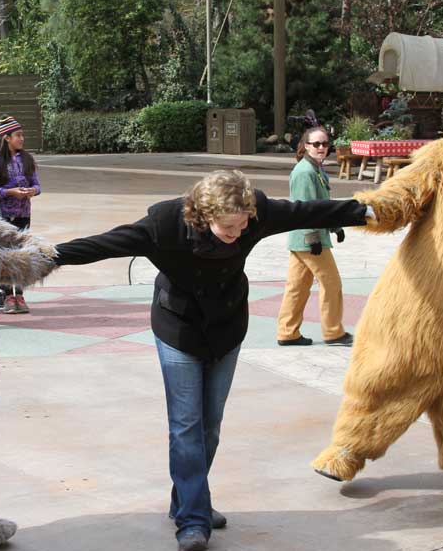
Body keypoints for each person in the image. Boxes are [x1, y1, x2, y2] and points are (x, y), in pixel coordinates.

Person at [53, 170, 371, 551]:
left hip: (226, 327)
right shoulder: (164, 224)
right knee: (186, 424)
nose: (238, 234)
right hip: (179, 330)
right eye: (228, 228)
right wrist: (41, 258)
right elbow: (103, 245)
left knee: (211, 426)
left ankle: (188, 498)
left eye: (243, 226)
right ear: (203, 215)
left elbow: (307, 212)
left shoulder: (255, 213)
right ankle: (192, 519)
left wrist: (366, 211)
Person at [275, 126, 354, 346]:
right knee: (331, 283)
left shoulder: (315, 169)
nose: (321, 148)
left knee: (297, 287)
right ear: (306, 145)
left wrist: (335, 226)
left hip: (304, 239)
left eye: (324, 144)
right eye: (316, 144)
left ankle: (287, 332)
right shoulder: (304, 172)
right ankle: (333, 332)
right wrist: (313, 239)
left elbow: (321, 205)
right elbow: (304, 209)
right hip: (308, 240)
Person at [0, 115, 40, 314]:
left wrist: (33, 191)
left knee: (22, 253)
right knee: (6, 255)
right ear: (6, 137)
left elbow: (37, 184)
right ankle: (7, 294)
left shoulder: (27, 159)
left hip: (23, 214)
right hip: (3, 216)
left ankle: (20, 295)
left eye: (22, 135)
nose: (22, 139)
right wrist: (9, 192)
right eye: (18, 135)